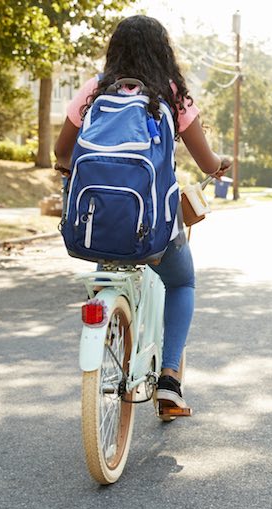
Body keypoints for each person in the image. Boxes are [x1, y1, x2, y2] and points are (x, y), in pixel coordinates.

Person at [54, 15, 230, 416]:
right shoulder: (172, 95)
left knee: (107, 268)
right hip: (157, 228)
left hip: (97, 223)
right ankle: (169, 378)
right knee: (183, 282)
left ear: (114, 49)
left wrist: (69, 173)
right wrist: (221, 164)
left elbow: (61, 151)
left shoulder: (94, 91)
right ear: (162, 52)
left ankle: (109, 335)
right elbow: (206, 162)